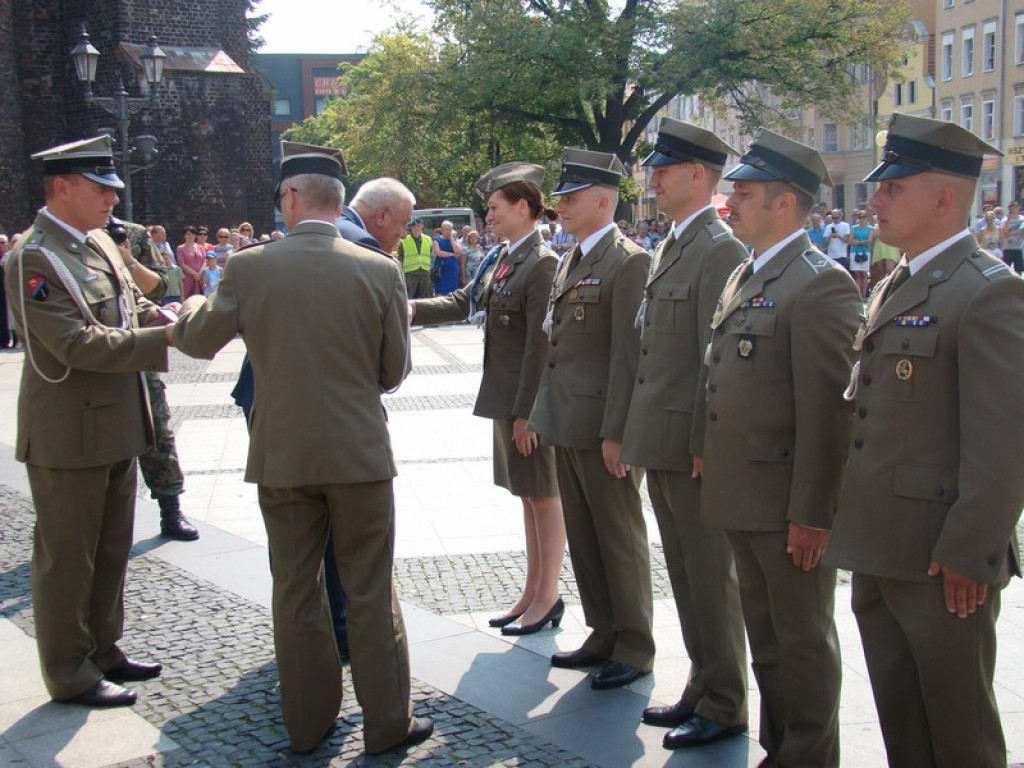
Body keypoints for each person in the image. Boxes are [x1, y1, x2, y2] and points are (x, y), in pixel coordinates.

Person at [170, 140, 432, 756]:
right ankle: (387, 723)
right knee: (369, 589)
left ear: (290, 198)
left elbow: (199, 341)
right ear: (338, 201)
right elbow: (393, 370)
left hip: (283, 455)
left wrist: (186, 305)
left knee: (295, 589)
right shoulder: (379, 269)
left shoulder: (250, 266)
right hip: (359, 454)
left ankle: (308, 725)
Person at [826, 113, 1024, 768]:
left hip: (943, 566)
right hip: (882, 549)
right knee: (904, 728)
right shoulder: (897, 283)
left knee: (960, 736)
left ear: (944, 197)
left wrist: (973, 552)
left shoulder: (989, 293)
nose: (873, 200)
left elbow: (1003, 446)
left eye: (893, 188)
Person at [701, 128, 862, 767]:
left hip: (786, 501)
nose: (729, 204)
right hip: (743, 491)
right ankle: (781, 749)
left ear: (785, 204)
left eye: (743, 193)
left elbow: (829, 417)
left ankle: (810, 756)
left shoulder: (820, 284)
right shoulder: (751, 272)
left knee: (801, 640)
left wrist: (814, 513)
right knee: (766, 640)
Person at [4, 135, 174, 708]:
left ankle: (103, 647)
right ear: (61, 187)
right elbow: (74, 342)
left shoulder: (97, 242)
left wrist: (175, 315)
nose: (110, 199)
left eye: (112, 189)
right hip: (68, 432)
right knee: (67, 559)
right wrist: (166, 337)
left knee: (109, 550)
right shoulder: (34, 256)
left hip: (119, 424)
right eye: (100, 188)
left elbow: (133, 306)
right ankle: (68, 670)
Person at [620, 119, 749, 749]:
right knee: (686, 573)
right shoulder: (675, 243)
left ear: (698, 175)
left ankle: (726, 700)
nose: (655, 178)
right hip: (661, 437)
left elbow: (712, 358)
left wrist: (704, 443)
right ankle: (703, 682)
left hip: (688, 444)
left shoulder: (718, 247)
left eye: (665, 170)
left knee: (709, 575)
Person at [411, 162, 566, 636]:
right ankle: (533, 589)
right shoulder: (504, 257)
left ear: (524, 206)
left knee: (544, 495)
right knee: (527, 495)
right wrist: (406, 307)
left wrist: (527, 414)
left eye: (495, 208)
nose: (487, 217)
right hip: (506, 399)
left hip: (525, 405)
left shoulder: (541, 264)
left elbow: (541, 347)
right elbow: (465, 300)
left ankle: (549, 594)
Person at [528, 148, 654, 690]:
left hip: (602, 424)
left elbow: (630, 355)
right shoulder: (573, 258)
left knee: (618, 536)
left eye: (570, 199)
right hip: (567, 420)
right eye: (560, 199)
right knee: (584, 534)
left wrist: (618, 430)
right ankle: (603, 631)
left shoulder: (628, 261)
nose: (560, 208)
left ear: (604, 201)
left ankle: (634, 643)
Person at [109, 216, 199, 542]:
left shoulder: (131, 235)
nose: (110, 199)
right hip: (98, 357)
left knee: (157, 427)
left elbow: (160, 286)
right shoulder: (70, 241)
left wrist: (128, 261)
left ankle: (170, 508)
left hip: (140, 350)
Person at [336, 177, 417, 252]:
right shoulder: (364, 245)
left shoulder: (334, 221)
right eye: (404, 224)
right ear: (382, 216)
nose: (404, 235)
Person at [396, 218, 433, 298]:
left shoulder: (428, 239)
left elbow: (430, 254)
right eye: (414, 226)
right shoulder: (404, 240)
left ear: (422, 226)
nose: (416, 228)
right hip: (410, 273)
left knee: (425, 298)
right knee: (409, 296)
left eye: (418, 226)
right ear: (411, 228)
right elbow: (400, 257)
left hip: (424, 272)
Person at [431, 220, 463, 294]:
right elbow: (438, 252)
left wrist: (451, 240)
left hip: (452, 270)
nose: (448, 231)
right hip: (441, 269)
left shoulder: (455, 240)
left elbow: (458, 251)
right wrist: (451, 254)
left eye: (450, 229)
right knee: (440, 290)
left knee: (453, 290)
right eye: (446, 229)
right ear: (442, 230)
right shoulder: (437, 240)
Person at [849, 209, 873, 297]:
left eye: (863, 217)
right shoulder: (854, 228)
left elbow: (869, 241)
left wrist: (858, 241)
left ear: (866, 218)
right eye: (860, 217)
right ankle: (859, 295)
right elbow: (850, 241)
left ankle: (864, 294)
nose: (862, 219)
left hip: (865, 252)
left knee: (864, 274)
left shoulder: (870, 228)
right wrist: (863, 241)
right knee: (857, 274)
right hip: (854, 252)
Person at [176, 225, 205, 298]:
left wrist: (199, 273)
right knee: (188, 297)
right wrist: (194, 274)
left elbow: (204, 261)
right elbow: (182, 264)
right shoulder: (180, 248)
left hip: (200, 277)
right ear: (184, 236)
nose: (190, 236)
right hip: (188, 277)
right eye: (188, 234)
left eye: (192, 234)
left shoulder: (201, 247)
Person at [1000, 200, 1024, 274]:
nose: (1012, 209)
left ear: (1018, 208)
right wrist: (1008, 221)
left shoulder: (1022, 219)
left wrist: (1010, 234)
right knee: (1006, 269)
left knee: (1018, 270)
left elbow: (1022, 232)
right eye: (1011, 208)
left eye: (1014, 207)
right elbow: (1003, 234)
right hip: (1007, 248)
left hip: (1019, 248)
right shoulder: (1004, 220)